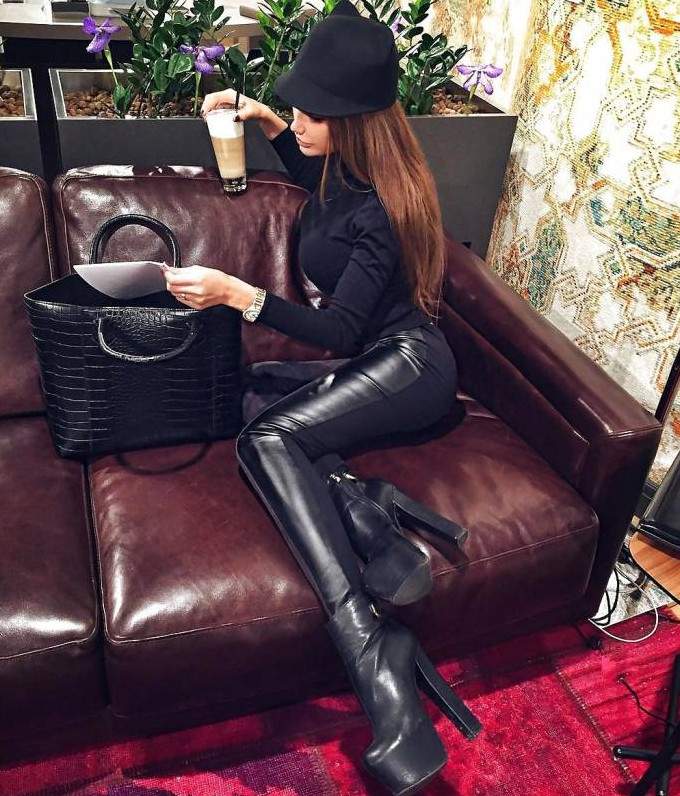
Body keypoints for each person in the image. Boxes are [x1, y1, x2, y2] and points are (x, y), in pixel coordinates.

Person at [165, 1, 481, 792]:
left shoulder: (385, 207)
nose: (301, 119)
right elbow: (316, 182)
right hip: (376, 360)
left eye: (312, 112)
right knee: (250, 392)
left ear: (352, 123)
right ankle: (367, 512)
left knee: (267, 438)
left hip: (410, 366)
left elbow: (340, 331)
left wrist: (240, 295)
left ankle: (370, 648)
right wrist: (270, 120)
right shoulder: (344, 175)